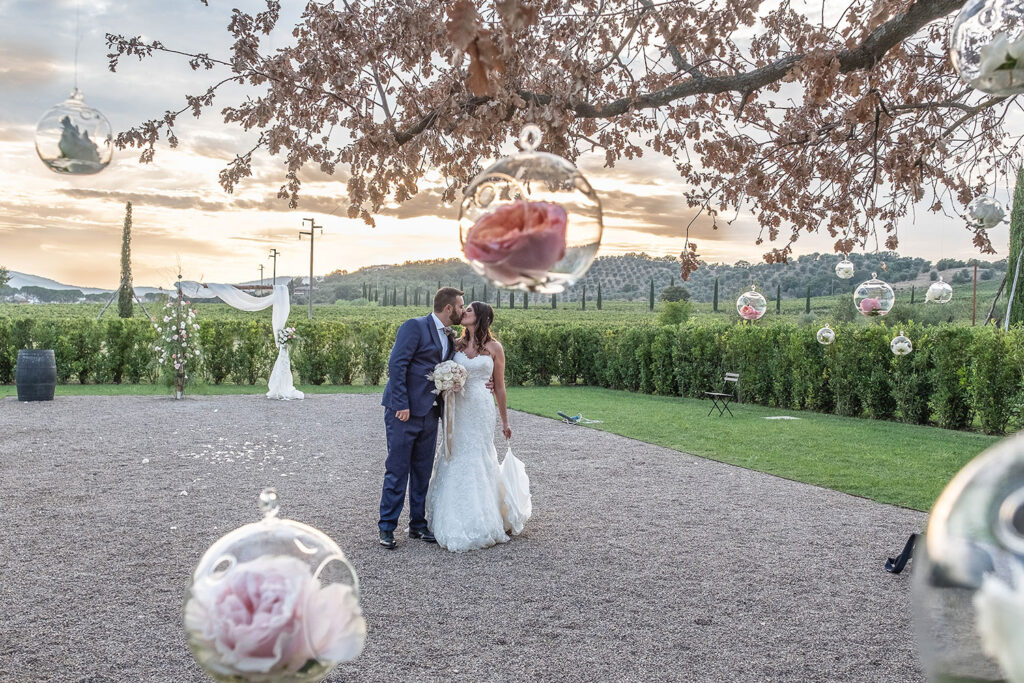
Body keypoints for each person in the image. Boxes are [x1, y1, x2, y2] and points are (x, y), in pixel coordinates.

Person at [426, 300, 530, 552]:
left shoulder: (495, 348)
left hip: (481, 407)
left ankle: (483, 516)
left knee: (479, 453)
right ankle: (449, 514)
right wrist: (446, 384)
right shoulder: (455, 344)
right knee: (455, 452)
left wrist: (505, 420)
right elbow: (443, 369)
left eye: (469, 310)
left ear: (481, 317)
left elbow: (500, 385)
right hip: (457, 407)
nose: (464, 312)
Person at [377, 287, 464, 549]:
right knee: (397, 469)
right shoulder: (414, 327)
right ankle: (387, 527)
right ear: (448, 308)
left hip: (429, 412)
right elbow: (397, 364)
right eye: (460, 306)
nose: (462, 309)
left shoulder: (449, 336)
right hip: (403, 412)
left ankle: (417, 524)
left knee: (422, 471)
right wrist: (401, 403)